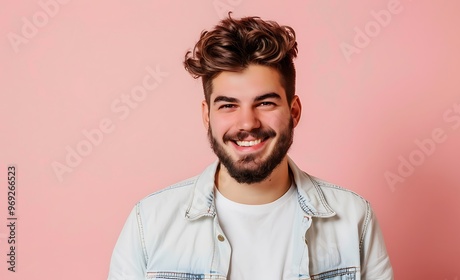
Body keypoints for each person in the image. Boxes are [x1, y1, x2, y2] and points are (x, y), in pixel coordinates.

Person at [108, 14, 393, 280]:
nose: (247, 123)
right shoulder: (149, 224)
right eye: (228, 105)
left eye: (265, 102)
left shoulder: (353, 219)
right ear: (207, 115)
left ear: (293, 111)